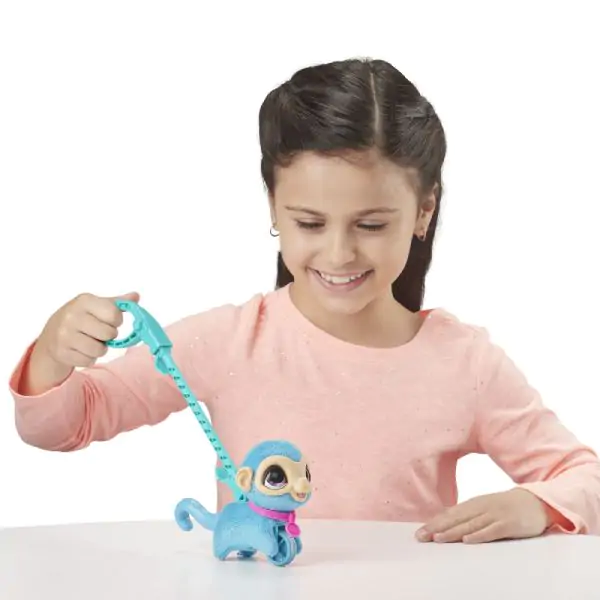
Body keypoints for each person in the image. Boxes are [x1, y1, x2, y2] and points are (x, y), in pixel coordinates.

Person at [8, 57, 600, 544]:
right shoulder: (229, 342)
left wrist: (536, 504)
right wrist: (55, 354)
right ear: (273, 205)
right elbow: (65, 425)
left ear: (424, 210)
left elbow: (584, 477)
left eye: (371, 224)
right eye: (310, 223)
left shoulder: (465, 364)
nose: (339, 253)